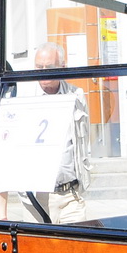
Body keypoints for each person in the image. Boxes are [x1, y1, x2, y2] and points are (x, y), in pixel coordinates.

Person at [33, 42, 91, 224]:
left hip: (70, 195)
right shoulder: (24, 97)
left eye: (49, 67)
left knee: (76, 249)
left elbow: (84, 140)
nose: (43, 72)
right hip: (36, 199)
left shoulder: (76, 96)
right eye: (38, 67)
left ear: (62, 68)